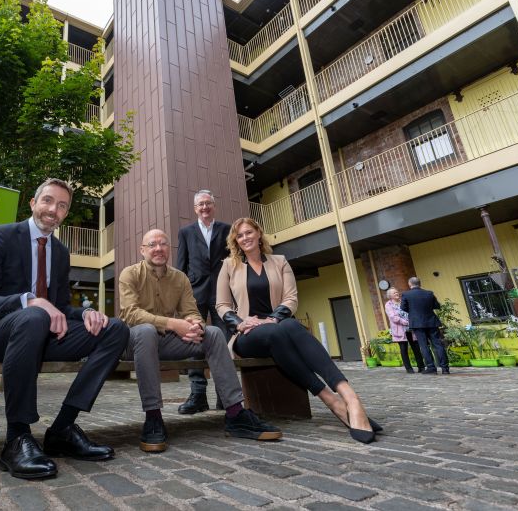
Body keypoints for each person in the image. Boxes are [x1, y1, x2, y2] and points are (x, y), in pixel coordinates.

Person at [0, 178, 130, 480]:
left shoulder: (60, 252)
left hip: (41, 334)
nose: (53, 210)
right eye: (47, 201)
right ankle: (16, 437)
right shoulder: (2, 236)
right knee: (35, 317)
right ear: (33, 203)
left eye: (62, 206)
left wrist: (88, 313)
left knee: (116, 328)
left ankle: (62, 429)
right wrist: (31, 302)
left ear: (65, 214)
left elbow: (60, 308)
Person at [216, 218, 381, 444]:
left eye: (248, 232)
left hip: (277, 326)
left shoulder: (279, 261)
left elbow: (291, 298)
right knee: (282, 330)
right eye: (239, 235)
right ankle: (333, 400)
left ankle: (348, 398)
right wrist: (240, 322)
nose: (245, 238)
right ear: (235, 241)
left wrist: (272, 319)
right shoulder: (229, 265)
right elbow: (222, 304)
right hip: (247, 335)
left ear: (258, 233)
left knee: (289, 325)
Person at [119, 228, 282, 453]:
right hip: (134, 343)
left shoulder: (180, 278)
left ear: (169, 249)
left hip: (166, 342)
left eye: (163, 244)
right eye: (152, 244)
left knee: (213, 333)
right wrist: (174, 324)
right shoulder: (130, 274)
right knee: (146, 330)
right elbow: (130, 314)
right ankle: (153, 417)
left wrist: (194, 325)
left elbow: (191, 311)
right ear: (142, 250)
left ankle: (236, 414)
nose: (158, 248)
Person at [175, 190, 231, 414]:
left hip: (221, 292)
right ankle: (197, 395)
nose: (204, 207)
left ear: (213, 206)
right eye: (200, 204)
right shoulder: (186, 232)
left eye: (208, 203)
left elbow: (233, 260)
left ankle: (224, 395)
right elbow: (181, 265)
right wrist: (180, 294)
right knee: (193, 340)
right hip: (194, 293)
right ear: (195, 208)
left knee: (224, 342)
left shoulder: (227, 229)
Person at [400, 277, 449, 375]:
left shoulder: (406, 294)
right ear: (420, 283)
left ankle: (431, 368)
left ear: (410, 284)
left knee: (424, 346)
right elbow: (437, 306)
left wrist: (413, 311)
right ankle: (445, 369)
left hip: (417, 323)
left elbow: (403, 308)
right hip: (431, 322)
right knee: (438, 344)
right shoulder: (429, 293)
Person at [384, 287, 424, 373]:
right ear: (390, 296)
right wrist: (405, 322)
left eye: (397, 292)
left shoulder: (403, 301)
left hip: (411, 328)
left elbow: (412, 311)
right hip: (400, 329)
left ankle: (421, 367)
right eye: (394, 293)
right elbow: (393, 317)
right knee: (403, 349)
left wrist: (412, 320)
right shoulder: (388, 305)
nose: (397, 293)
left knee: (416, 347)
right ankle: (409, 368)